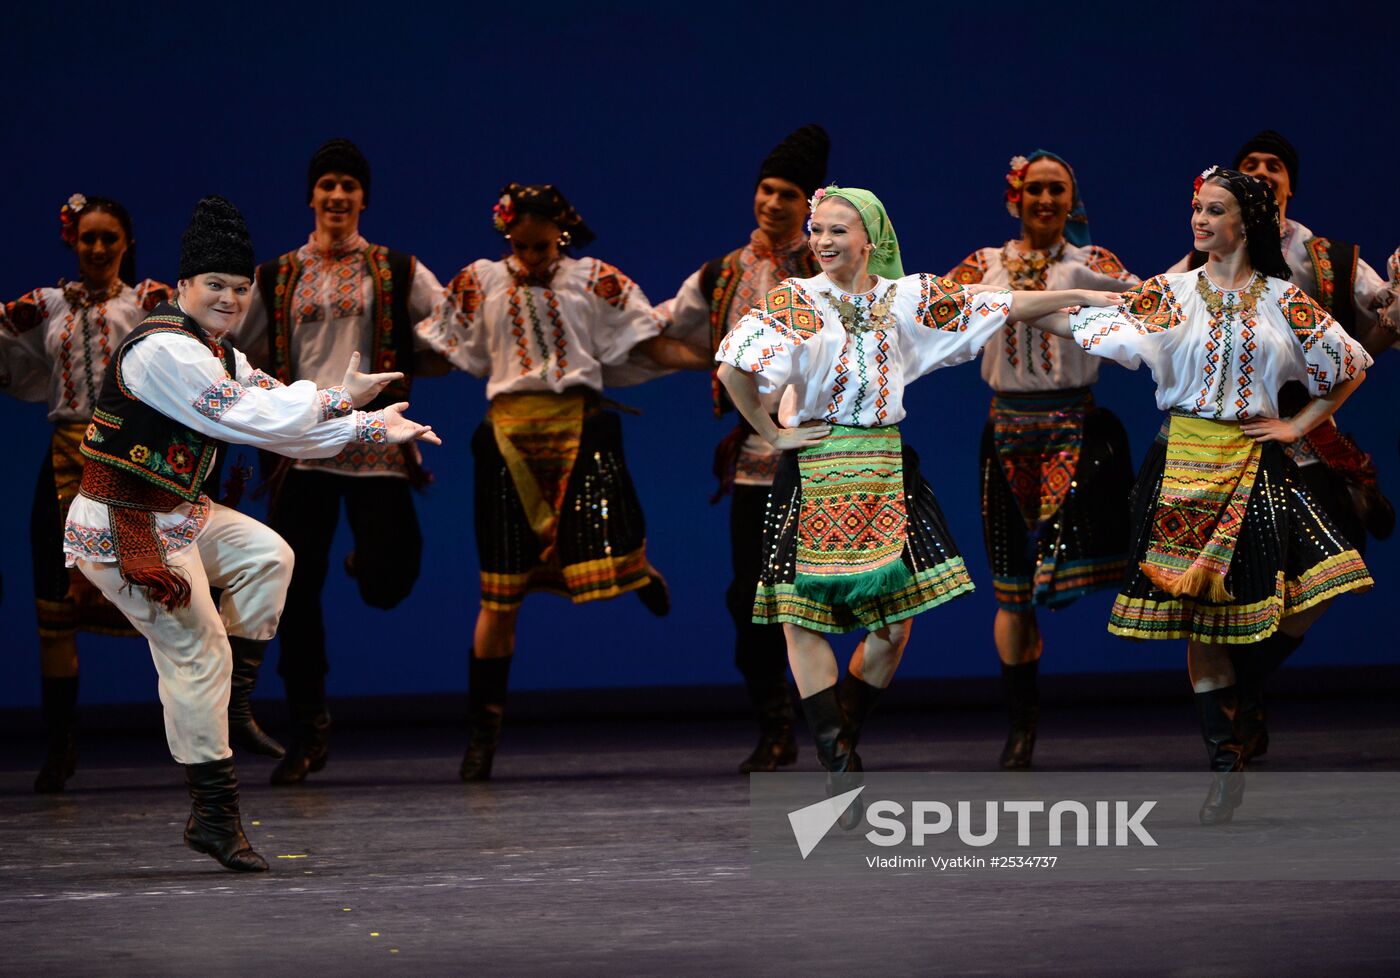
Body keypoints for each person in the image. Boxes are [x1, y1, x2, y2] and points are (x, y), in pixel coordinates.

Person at [715, 185, 1120, 827]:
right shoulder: (796, 300)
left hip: (881, 465)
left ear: (871, 239)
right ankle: (838, 764)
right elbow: (735, 366)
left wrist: (1083, 295)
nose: (822, 241)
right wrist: (772, 435)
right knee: (802, 619)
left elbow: (1004, 304)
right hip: (813, 466)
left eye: (837, 231)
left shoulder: (905, 297)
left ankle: (842, 732)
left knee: (894, 627)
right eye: (817, 230)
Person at [64, 195, 439, 870]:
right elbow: (254, 417)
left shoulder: (220, 355)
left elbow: (282, 416)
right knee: (195, 648)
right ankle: (214, 813)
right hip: (124, 528)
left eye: (241, 287)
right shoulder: (163, 352)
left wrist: (374, 426)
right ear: (182, 287)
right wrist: (340, 401)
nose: (232, 298)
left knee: (269, 554)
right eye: (216, 285)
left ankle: (231, 707)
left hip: (177, 513)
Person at [1033, 167, 1373, 823]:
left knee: (1329, 579)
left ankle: (1245, 696)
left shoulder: (1280, 296)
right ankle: (1224, 764)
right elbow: (1095, 332)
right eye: (1196, 208)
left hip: (1251, 459)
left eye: (1213, 211)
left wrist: (1299, 423)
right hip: (1182, 463)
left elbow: (1350, 362)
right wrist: (1018, 311)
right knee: (1198, 618)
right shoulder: (1172, 292)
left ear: (1245, 223)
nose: (1198, 220)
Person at [417, 182, 708, 781]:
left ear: (562, 235)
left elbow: (648, 343)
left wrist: (718, 357)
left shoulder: (595, 279)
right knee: (499, 595)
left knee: (615, 521)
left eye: (541, 245)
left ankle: (635, 566)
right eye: (518, 244)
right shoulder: (479, 281)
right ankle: (483, 735)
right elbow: (441, 349)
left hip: (581, 421)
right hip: (506, 436)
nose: (529, 256)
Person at [1171, 131, 1394, 760]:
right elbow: (1147, 311)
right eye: (1250, 166)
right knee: (1223, 582)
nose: (1263, 172)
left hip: (1300, 435)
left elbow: (1374, 328)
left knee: (1329, 569)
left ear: (1290, 185)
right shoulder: (1199, 263)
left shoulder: (1326, 260)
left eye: (1275, 167)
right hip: (1220, 441)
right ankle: (1230, 726)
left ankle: (1240, 684)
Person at [234, 139, 446, 785]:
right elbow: (237, 351)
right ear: (311, 195)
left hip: (376, 445)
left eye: (349, 186)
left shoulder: (398, 270)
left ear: (363, 198)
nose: (337, 196)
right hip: (304, 451)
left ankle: (367, 558)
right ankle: (309, 730)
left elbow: (446, 333)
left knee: (391, 578)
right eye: (327, 184)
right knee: (294, 593)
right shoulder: (275, 277)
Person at [947, 150, 1140, 769]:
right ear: (1017, 196)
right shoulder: (984, 265)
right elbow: (924, 313)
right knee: (1011, 592)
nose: (1047, 200)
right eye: (1036, 189)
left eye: (1058, 190)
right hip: (1005, 431)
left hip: (1074, 427)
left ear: (1071, 201)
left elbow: (1153, 311)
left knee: (1054, 569)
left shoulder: (1095, 265)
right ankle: (1022, 726)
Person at [653, 124, 828, 774]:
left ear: (809, 205)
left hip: (828, 454)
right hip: (758, 460)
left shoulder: (830, 267)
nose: (772, 203)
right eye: (766, 189)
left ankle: (843, 723)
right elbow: (667, 333)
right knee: (750, 596)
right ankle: (776, 728)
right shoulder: (723, 273)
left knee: (840, 593)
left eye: (788, 194)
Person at [1, 194, 170, 792]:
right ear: (74, 242)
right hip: (65, 463)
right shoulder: (46, 306)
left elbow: (198, 360)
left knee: (173, 595)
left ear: (125, 243)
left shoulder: (149, 303)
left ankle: (199, 740)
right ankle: (61, 743)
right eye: (89, 238)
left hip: (132, 462)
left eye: (109, 239)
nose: (98, 249)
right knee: (54, 604)